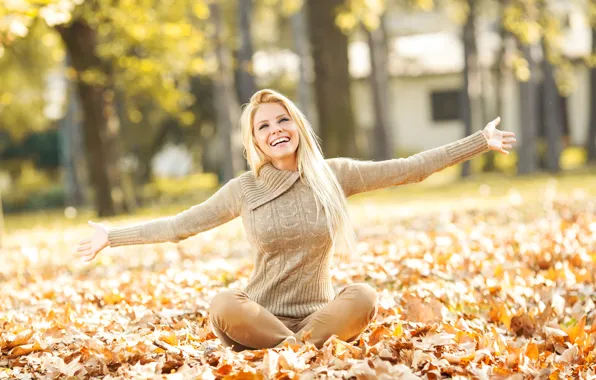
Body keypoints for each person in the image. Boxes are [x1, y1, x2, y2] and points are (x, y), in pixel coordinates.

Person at [75, 89, 516, 351]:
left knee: (362, 294)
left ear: (298, 126)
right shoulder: (244, 190)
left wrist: (479, 142)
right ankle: (301, 355)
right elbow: (178, 226)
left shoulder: (335, 175)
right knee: (222, 303)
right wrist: (112, 237)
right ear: (256, 141)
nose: (275, 130)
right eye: (263, 127)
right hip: (257, 319)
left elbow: (410, 167)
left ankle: (296, 354)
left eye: (283, 119)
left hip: (320, 318)